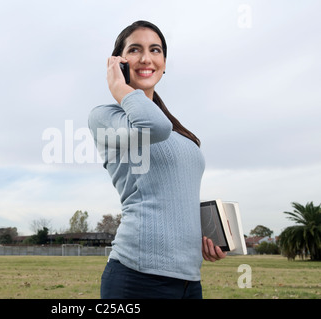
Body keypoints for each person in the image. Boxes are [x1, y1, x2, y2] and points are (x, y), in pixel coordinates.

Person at [88, 20, 226, 299]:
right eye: (135, 50)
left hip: (188, 278)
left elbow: (174, 192)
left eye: (155, 50)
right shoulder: (106, 118)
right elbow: (154, 127)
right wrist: (120, 87)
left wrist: (199, 234)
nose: (146, 58)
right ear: (119, 61)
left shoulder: (176, 129)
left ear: (164, 62)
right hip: (137, 276)